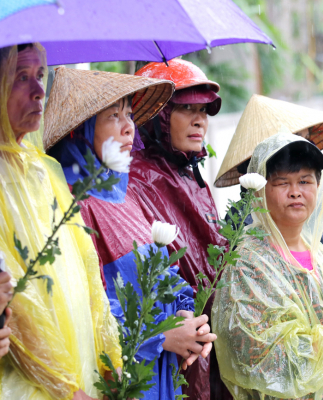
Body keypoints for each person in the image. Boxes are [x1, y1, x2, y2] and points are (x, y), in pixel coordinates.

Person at [44, 67, 217, 400]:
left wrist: (188, 318)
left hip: (158, 377)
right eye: (113, 116)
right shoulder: (69, 205)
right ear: (82, 130)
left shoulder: (123, 196)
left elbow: (163, 272)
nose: (128, 128)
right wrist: (161, 337)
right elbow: (82, 309)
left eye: (129, 114)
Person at [212, 131, 323, 399]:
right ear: (259, 191)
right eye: (282, 183)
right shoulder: (248, 261)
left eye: (305, 181)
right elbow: (250, 352)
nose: (295, 193)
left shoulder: (321, 256)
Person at [0, 43, 122, 399]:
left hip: (83, 377)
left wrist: (111, 362)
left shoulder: (46, 171)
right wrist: (67, 391)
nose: (39, 91)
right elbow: (19, 306)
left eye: (40, 75)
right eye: (21, 77)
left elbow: (88, 275)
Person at [131, 59, 228, 400]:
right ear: (156, 115)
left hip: (208, 336)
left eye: (203, 110)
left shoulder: (190, 172)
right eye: (186, 109)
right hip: (170, 339)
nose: (200, 120)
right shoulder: (136, 180)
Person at [214, 94, 323, 269]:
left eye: (306, 139)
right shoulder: (245, 220)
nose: (305, 147)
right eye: (296, 138)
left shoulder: (314, 211)